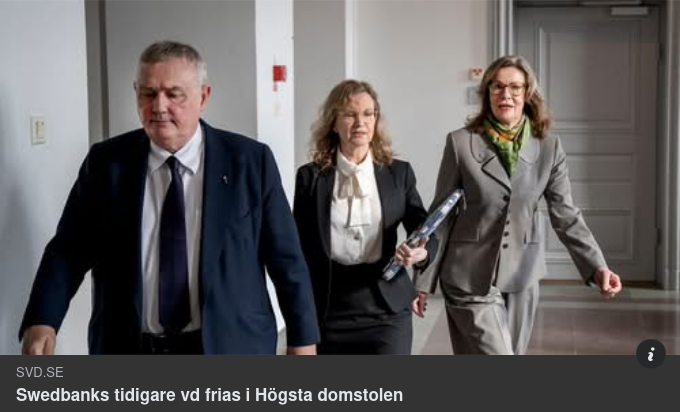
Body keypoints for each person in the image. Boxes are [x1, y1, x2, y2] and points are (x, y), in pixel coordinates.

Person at [19, 40, 318, 355]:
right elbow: (68, 250)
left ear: (203, 96)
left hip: (230, 345)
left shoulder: (250, 163)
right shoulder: (106, 164)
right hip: (129, 348)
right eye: (148, 93)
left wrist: (303, 341)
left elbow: (287, 261)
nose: (159, 107)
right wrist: (43, 318)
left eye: (174, 94)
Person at [414, 55, 623, 355]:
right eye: (497, 86)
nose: (506, 95)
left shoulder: (549, 147)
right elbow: (440, 216)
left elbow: (566, 215)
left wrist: (597, 266)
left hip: (522, 275)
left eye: (515, 87)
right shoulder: (460, 143)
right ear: (487, 92)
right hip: (468, 276)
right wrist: (423, 281)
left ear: (527, 93)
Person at [293, 80, 437, 354]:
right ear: (334, 122)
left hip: (387, 308)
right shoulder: (310, 178)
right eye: (350, 114)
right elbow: (298, 248)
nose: (360, 122)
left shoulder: (399, 173)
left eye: (368, 114)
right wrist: (299, 315)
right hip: (328, 309)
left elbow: (424, 226)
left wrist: (421, 253)